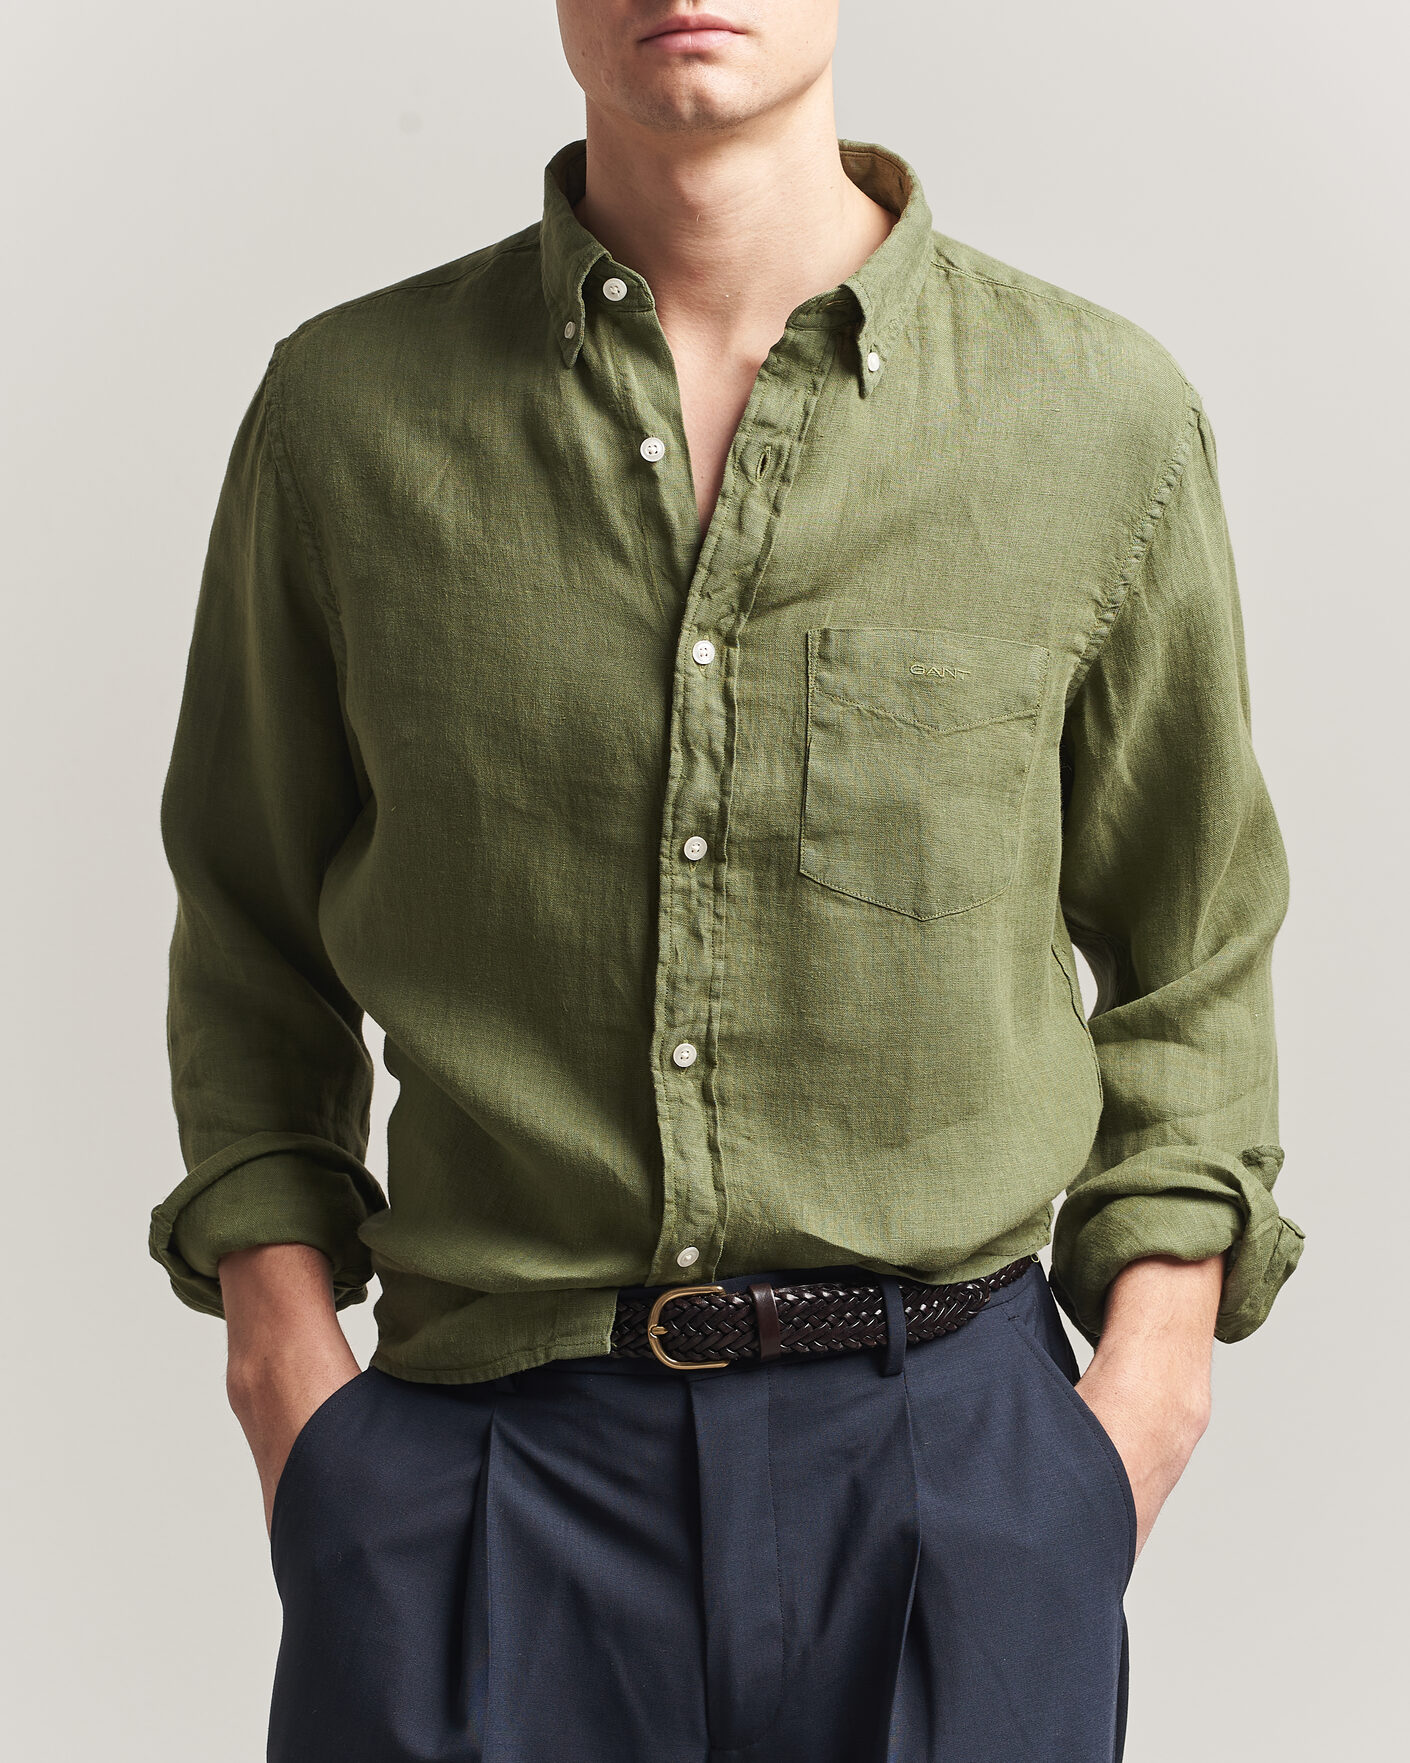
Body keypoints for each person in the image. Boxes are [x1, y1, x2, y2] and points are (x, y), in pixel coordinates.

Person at [148, 3, 1303, 1759]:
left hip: (950, 1470)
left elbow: (1191, 941)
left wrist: (1140, 1398)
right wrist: (290, 1386)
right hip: (480, 1469)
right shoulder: (345, 419)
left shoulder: (1095, 421)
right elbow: (248, 929)